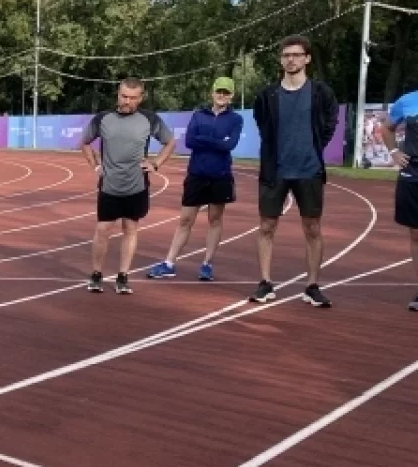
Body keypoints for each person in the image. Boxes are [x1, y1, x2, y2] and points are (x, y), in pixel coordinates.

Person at [249, 34, 339, 307]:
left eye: (297, 55)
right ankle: (265, 283)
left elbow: (329, 123)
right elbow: (262, 123)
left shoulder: (321, 92)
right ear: (281, 59)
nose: (291, 59)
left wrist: (314, 148)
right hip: (274, 170)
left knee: (312, 227)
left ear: (307, 58)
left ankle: (312, 286)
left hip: (309, 170)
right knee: (267, 225)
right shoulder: (267, 95)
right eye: (286, 55)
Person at [79, 77, 177, 294]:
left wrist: (156, 163)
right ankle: (96, 274)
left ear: (140, 98)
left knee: (130, 228)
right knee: (103, 229)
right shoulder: (103, 118)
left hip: (137, 185)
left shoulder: (149, 119)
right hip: (109, 186)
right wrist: (95, 165)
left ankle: (123, 276)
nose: (127, 101)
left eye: (133, 98)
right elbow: (84, 142)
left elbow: (170, 142)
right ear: (118, 94)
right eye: (124, 96)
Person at [147, 77, 243, 281]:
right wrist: (217, 141)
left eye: (226, 92)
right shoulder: (198, 116)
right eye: (219, 91)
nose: (222, 96)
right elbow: (190, 141)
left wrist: (205, 140)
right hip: (196, 175)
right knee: (185, 220)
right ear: (212, 93)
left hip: (221, 176)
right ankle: (169, 263)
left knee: (215, 220)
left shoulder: (236, 119)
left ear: (232, 95)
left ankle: (207, 264)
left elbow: (230, 145)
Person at [380, 88, 418, 311]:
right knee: (415, 232)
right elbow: (387, 128)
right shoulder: (407, 101)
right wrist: (394, 151)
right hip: (413, 173)